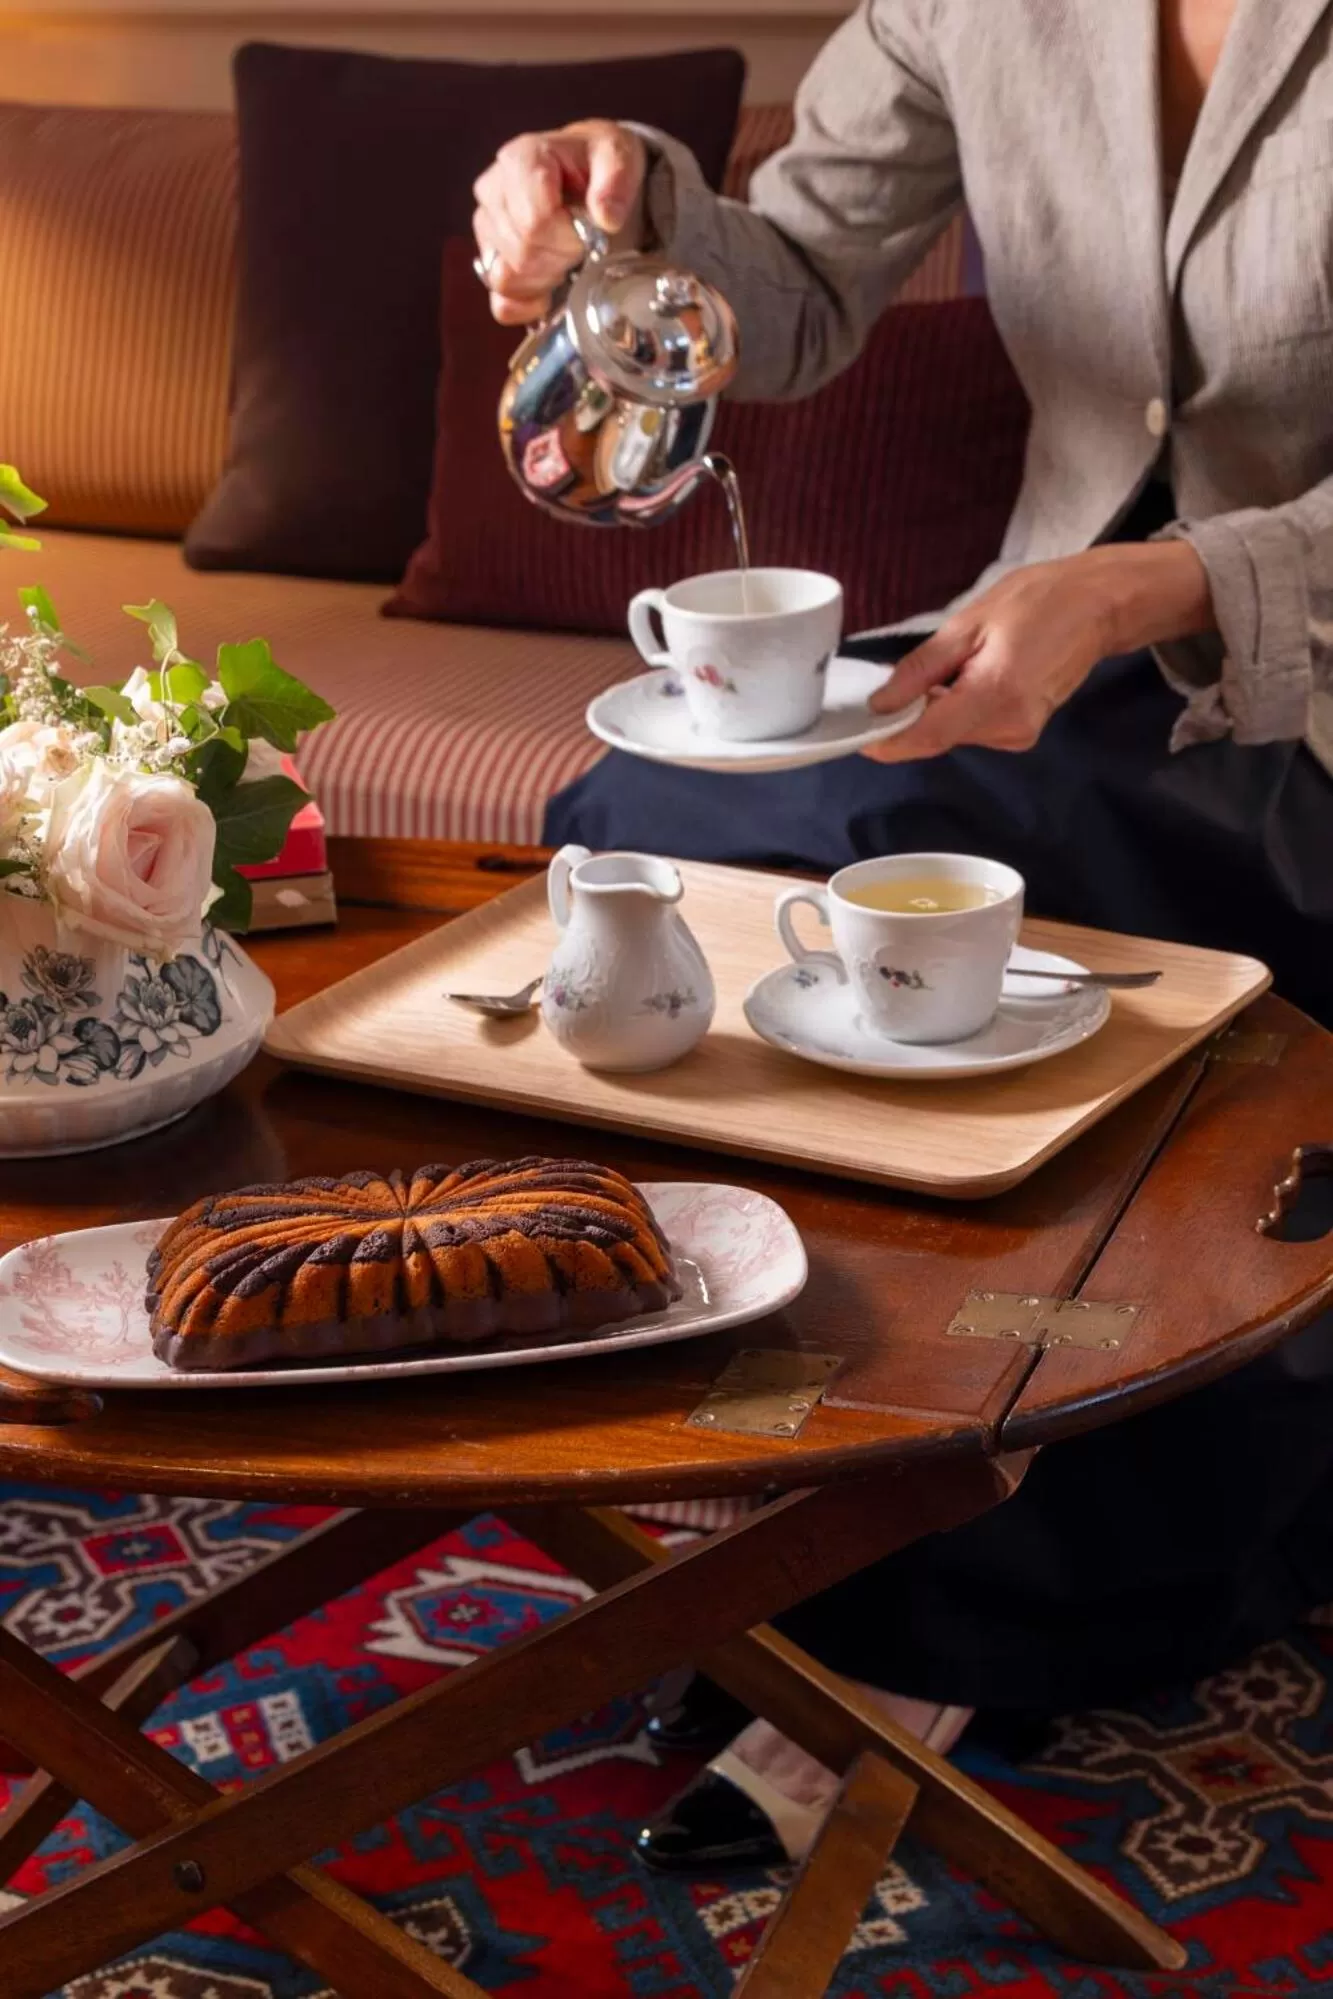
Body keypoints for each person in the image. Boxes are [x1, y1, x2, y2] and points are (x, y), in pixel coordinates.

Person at [473, 0, 1333, 1872]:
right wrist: (620, 210)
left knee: (954, 876)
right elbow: (779, 289)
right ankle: (791, 1484)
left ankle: (969, 1605)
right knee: (644, 823)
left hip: (1301, 707)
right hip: (1037, 654)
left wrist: (1166, 580)